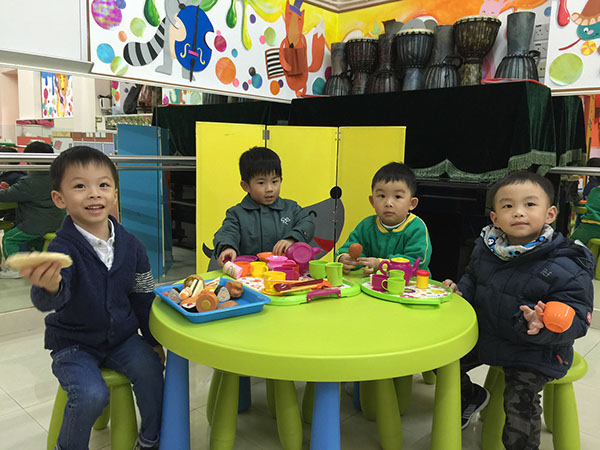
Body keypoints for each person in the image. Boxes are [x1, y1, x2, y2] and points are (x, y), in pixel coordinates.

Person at [20, 146, 164, 450]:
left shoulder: (132, 245)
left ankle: (151, 439)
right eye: (79, 186)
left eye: (103, 185)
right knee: (90, 395)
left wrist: (153, 340)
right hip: (73, 344)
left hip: (122, 339)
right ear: (59, 199)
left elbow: (142, 296)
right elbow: (47, 301)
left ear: (114, 194)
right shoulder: (62, 248)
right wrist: (50, 286)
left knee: (152, 371)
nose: (94, 194)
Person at [443, 171, 594, 449]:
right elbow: (472, 277)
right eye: (508, 205)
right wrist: (460, 293)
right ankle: (470, 396)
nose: (518, 212)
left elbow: (578, 317)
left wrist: (543, 324)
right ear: (495, 218)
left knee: (519, 409)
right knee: (441, 361)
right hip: (489, 336)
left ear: (550, 214)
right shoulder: (486, 247)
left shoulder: (566, 262)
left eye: (530, 204)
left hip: (534, 350)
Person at [213, 146, 315, 265]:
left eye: (274, 181)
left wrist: (292, 238)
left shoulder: (291, 208)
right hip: (250, 273)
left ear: (281, 180)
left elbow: (307, 224)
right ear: (245, 186)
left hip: (285, 272)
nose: (269, 189)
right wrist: (227, 248)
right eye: (261, 183)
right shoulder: (236, 214)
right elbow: (227, 232)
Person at [337, 162, 432, 274]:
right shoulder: (366, 226)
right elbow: (348, 249)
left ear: (412, 203)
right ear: (372, 201)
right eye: (382, 196)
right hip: (372, 283)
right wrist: (344, 259)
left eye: (397, 197)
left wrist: (381, 264)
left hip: (411, 283)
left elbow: (417, 262)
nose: (388, 203)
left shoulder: (416, 228)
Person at [0, 141, 65, 278]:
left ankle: (15, 269)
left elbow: (6, 196)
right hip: (57, 221)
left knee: (9, 239)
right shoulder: (56, 178)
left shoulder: (30, 181)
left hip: (36, 223)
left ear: (30, 160)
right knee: (35, 240)